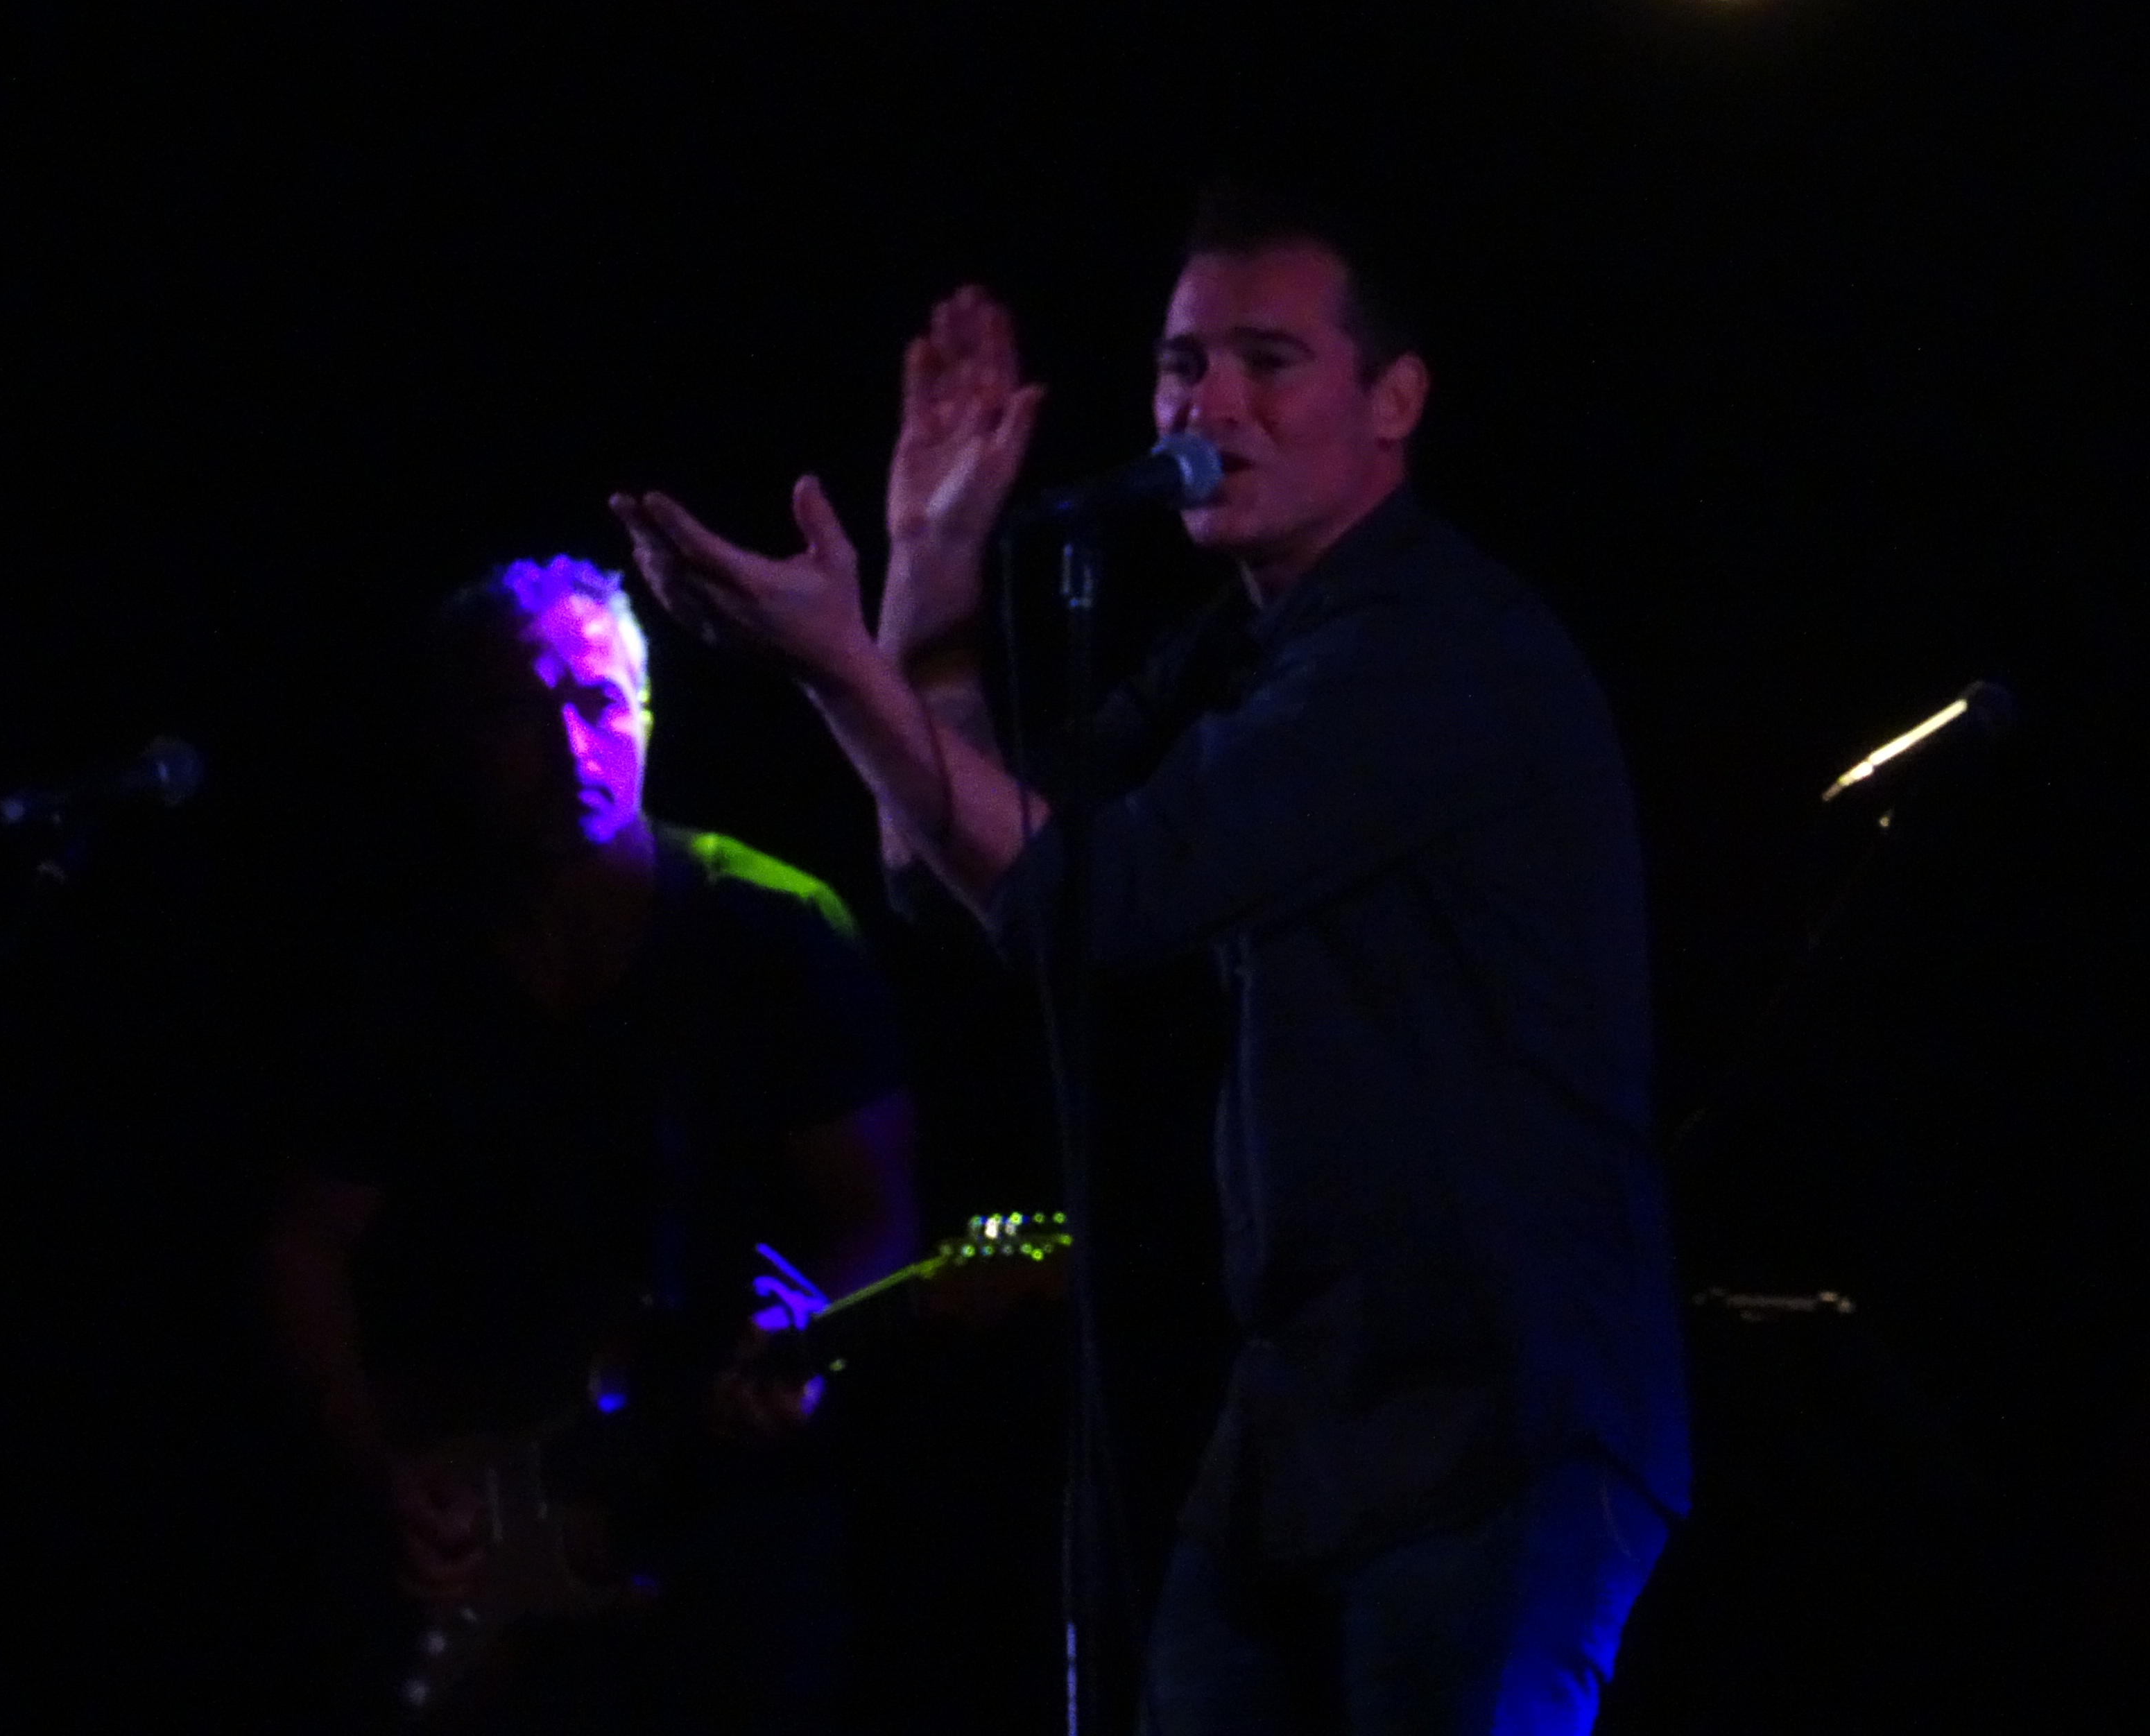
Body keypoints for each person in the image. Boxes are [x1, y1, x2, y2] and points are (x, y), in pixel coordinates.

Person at [612, 187, 1687, 1733]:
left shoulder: (1431, 651)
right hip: (1307, 1424)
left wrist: (840, 668)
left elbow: (1088, 894)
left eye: (1269, 362)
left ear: (1395, 399)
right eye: (1185, 365)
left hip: (1497, 1425)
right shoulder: (1246, 643)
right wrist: (927, 565)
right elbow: (962, 869)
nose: (1210, 406)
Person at [260, 556, 919, 1734]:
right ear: (454, 740)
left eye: (600, 701)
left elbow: (878, 1215)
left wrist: (808, 1349)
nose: (573, 745)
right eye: (522, 712)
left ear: (651, 713)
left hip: (724, 1526)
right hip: (490, 1511)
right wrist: (378, 1471)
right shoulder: (404, 973)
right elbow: (302, 1244)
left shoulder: (770, 928)